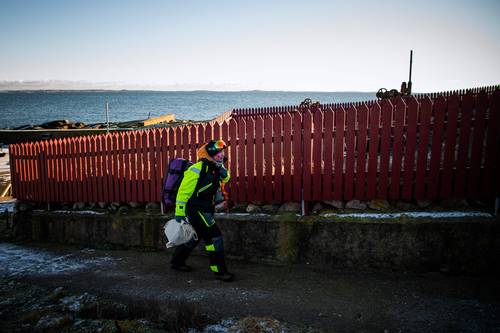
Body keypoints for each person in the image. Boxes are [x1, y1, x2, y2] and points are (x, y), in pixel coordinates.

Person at [171, 139, 234, 282]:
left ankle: (177, 262)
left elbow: (226, 179)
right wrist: (179, 212)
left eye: (222, 152)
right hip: (196, 209)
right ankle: (220, 271)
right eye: (218, 153)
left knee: (195, 236)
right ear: (210, 154)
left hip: (206, 208)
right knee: (214, 237)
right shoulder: (197, 168)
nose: (221, 155)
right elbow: (183, 192)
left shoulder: (216, 167)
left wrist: (222, 168)